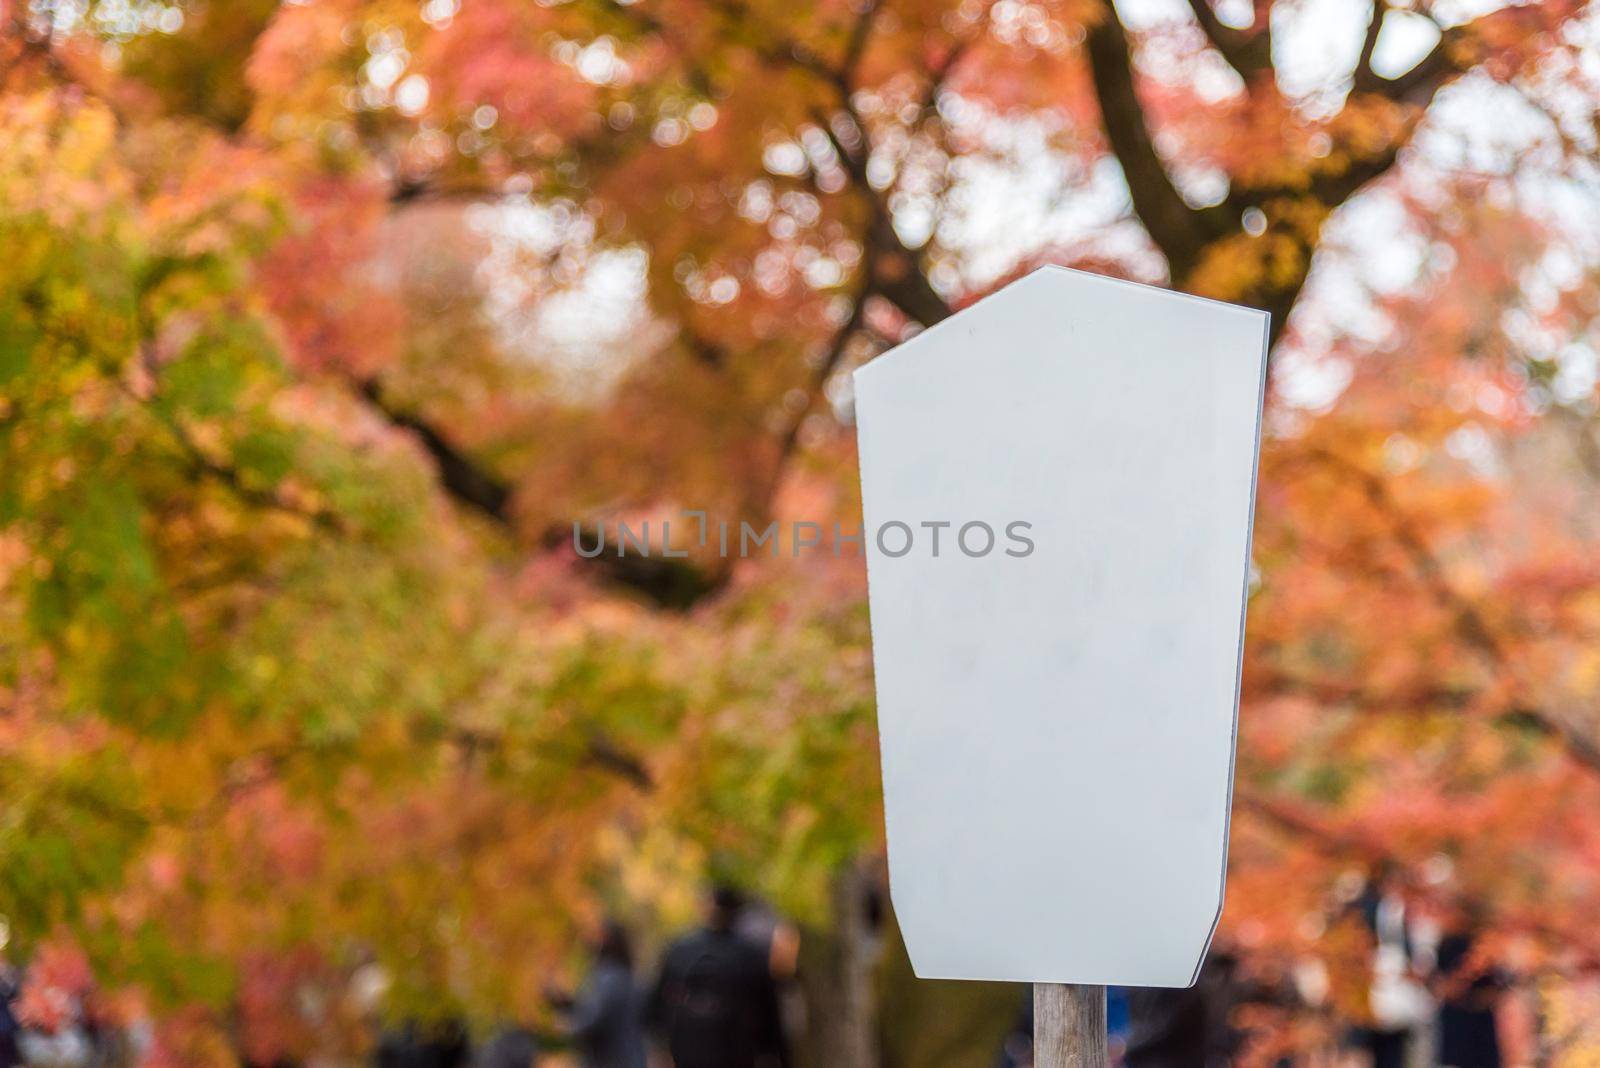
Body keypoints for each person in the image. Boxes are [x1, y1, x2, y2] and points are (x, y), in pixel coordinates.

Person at [649, 886, 790, 1068]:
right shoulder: (752, 956)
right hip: (737, 1053)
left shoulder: (679, 951)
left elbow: (656, 1010)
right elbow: (771, 1018)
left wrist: (660, 1048)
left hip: (689, 1051)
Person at [552, 921, 647, 1068]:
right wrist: (564, 1003)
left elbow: (593, 1019)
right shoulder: (624, 974)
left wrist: (564, 1025)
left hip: (612, 1061)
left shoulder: (609, 976)